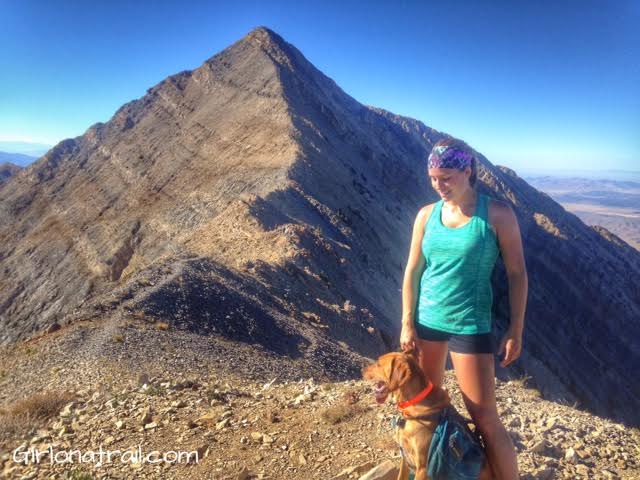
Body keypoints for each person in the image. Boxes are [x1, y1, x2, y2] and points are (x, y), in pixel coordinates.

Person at [397, 138, 527, 479]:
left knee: (484, 418)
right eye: (433, 178)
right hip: (426, 323)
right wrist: (407, 322)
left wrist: (516, 329)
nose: (439, 185)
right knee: (423, 410)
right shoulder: (426, 215)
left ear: (467, 171)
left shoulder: (497, 214)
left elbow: (517, 274)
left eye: (446, 177)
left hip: (469, 325)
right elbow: (413, 270)